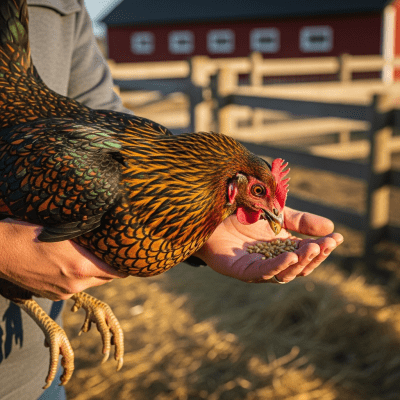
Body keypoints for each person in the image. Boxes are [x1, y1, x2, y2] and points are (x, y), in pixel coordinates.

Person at [0, 1, 343, 399]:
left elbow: (102, 115)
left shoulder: (64, 5)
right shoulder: (90, 179)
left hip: (35, 374)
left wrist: (206, 220)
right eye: (261, 193)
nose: (272, 211)